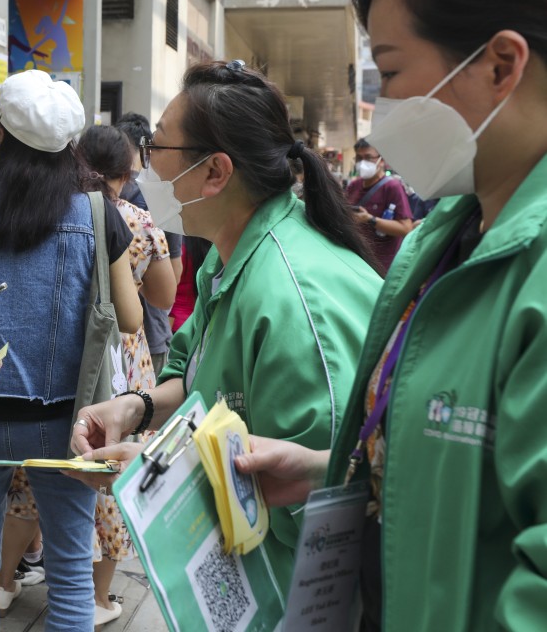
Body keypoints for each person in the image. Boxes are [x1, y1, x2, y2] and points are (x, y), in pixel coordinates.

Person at [232, 0, 547, 629]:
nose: (383, 113)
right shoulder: (448, 241)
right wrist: (333, 470)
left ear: (500, 65)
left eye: (394, 71)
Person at [71, 60, 384, 596]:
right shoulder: (232, 253)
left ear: (215, 172)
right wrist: (137, 408)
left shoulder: (289, 295)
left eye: (157, 151)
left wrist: (161, 473)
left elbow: (313, 501)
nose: (148, 172)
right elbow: (190, 368)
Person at [0, 68, 143, 631]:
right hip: (69, 418)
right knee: (69, 566)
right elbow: (133, 317)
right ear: (71, 146)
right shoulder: (97, 215)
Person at [78, 124, 176, 626]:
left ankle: (7, 580)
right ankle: (96, 598)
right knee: (111, 464)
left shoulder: (54, 210)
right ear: (126, 170)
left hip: (66, 356)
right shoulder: (138, 220)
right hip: (122, 359)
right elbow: (162, 297)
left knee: (51, 466)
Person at [115, 111, 183, 376]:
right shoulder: (160, 197)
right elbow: (172, 279)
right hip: (150, 334)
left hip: (99, 335)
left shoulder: (91, 196)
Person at [346, 139, 414, 273]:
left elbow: (406, 228)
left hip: (382, 267)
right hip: (358, 262)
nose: (362, 163)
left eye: (368, 158)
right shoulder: (354, 186)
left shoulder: (392, 187)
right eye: (359, 158)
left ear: (381, 160)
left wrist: (370, 219)